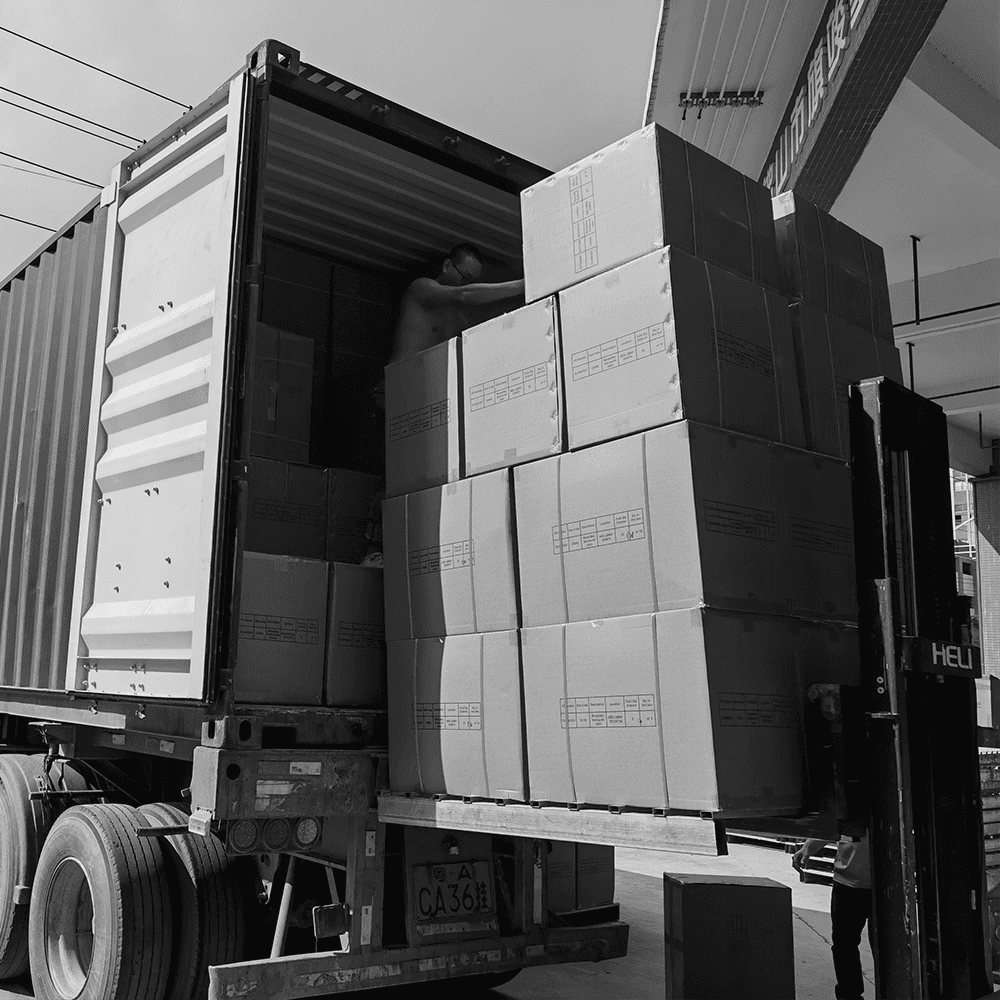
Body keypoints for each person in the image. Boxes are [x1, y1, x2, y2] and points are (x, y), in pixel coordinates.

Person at [388, 243, 525, 364]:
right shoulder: (421, 288)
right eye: (464, 276)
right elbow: (463, 294)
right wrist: (520, 286)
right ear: (447, 266)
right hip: (399, 380)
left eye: (472, 281)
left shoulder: (460, 319)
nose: (466, 283)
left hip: (431, 386)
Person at [792, 833, 872, 999]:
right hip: (846, 882)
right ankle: (849, 995)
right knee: (844, 945)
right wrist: (808, 847)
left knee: (886, 948)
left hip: (884, 882)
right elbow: (833, 825)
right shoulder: (847, 806)